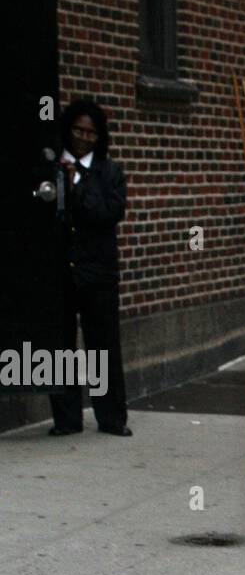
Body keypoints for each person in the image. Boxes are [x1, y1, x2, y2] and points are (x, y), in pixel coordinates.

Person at [48, 98, 130, 436]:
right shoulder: (51, 167)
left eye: (91, 133)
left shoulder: (109, 172)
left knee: (103, 345)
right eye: (78, 130)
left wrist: (76, 186)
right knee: (60, 344)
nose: (84, 137)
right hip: (61, 271)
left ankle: (111, 418)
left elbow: (107, 213)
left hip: (98, 271)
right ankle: (66, 419)